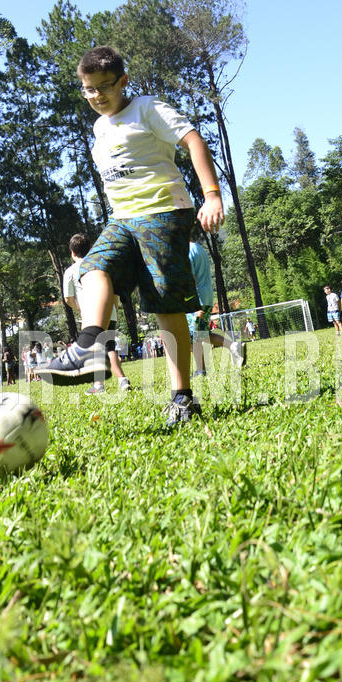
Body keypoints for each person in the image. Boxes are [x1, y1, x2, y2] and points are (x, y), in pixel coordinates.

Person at [39, 45, 243, 427]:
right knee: (92, 269)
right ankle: (90, 346)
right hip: (123, 219)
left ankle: (182, 399)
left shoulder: (147, 108)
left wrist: (212, 194)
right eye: (88, 89)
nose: (97, 96)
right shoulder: (100, 126)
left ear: (123, 82)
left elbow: (194, 140)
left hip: (163, 212)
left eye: (105, 86)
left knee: (166, 307)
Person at [63, 232, 131, 395]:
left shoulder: (71, 271)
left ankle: (104, 384)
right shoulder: (101, 265)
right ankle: (119, 381)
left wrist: (80, 309)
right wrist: (113, 310)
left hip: (91, 315)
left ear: (72, 252)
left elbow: (68, 298)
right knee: (109, 346)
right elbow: (114, 293)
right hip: (110, 311)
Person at [188, 239, 246, 377]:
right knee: (200, 334)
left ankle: (201, 370)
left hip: (196, 298)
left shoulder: (187, 251)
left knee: (194, 336)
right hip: (207, 295)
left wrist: (191, 302)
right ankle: (231, 347)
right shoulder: (199, 248)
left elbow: (191, 278)